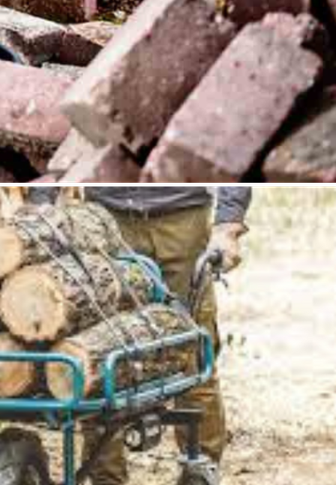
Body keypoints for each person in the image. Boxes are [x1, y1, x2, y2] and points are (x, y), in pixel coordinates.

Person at [26, 186, 252, 485]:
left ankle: (200, 468)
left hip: (183, 220)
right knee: (97, 355)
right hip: (107, 221)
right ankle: (106, 478)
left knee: (193, 352)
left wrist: (228, 224)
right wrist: (41, 200)